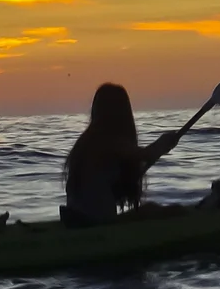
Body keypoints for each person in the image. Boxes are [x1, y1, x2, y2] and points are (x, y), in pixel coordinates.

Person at [62, 82, 184, 226]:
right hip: (95, 223)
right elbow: (145, 155)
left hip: (74, 219)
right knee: (170, 211)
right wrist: (164, 142)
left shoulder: (87, 140)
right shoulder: (108, 140)